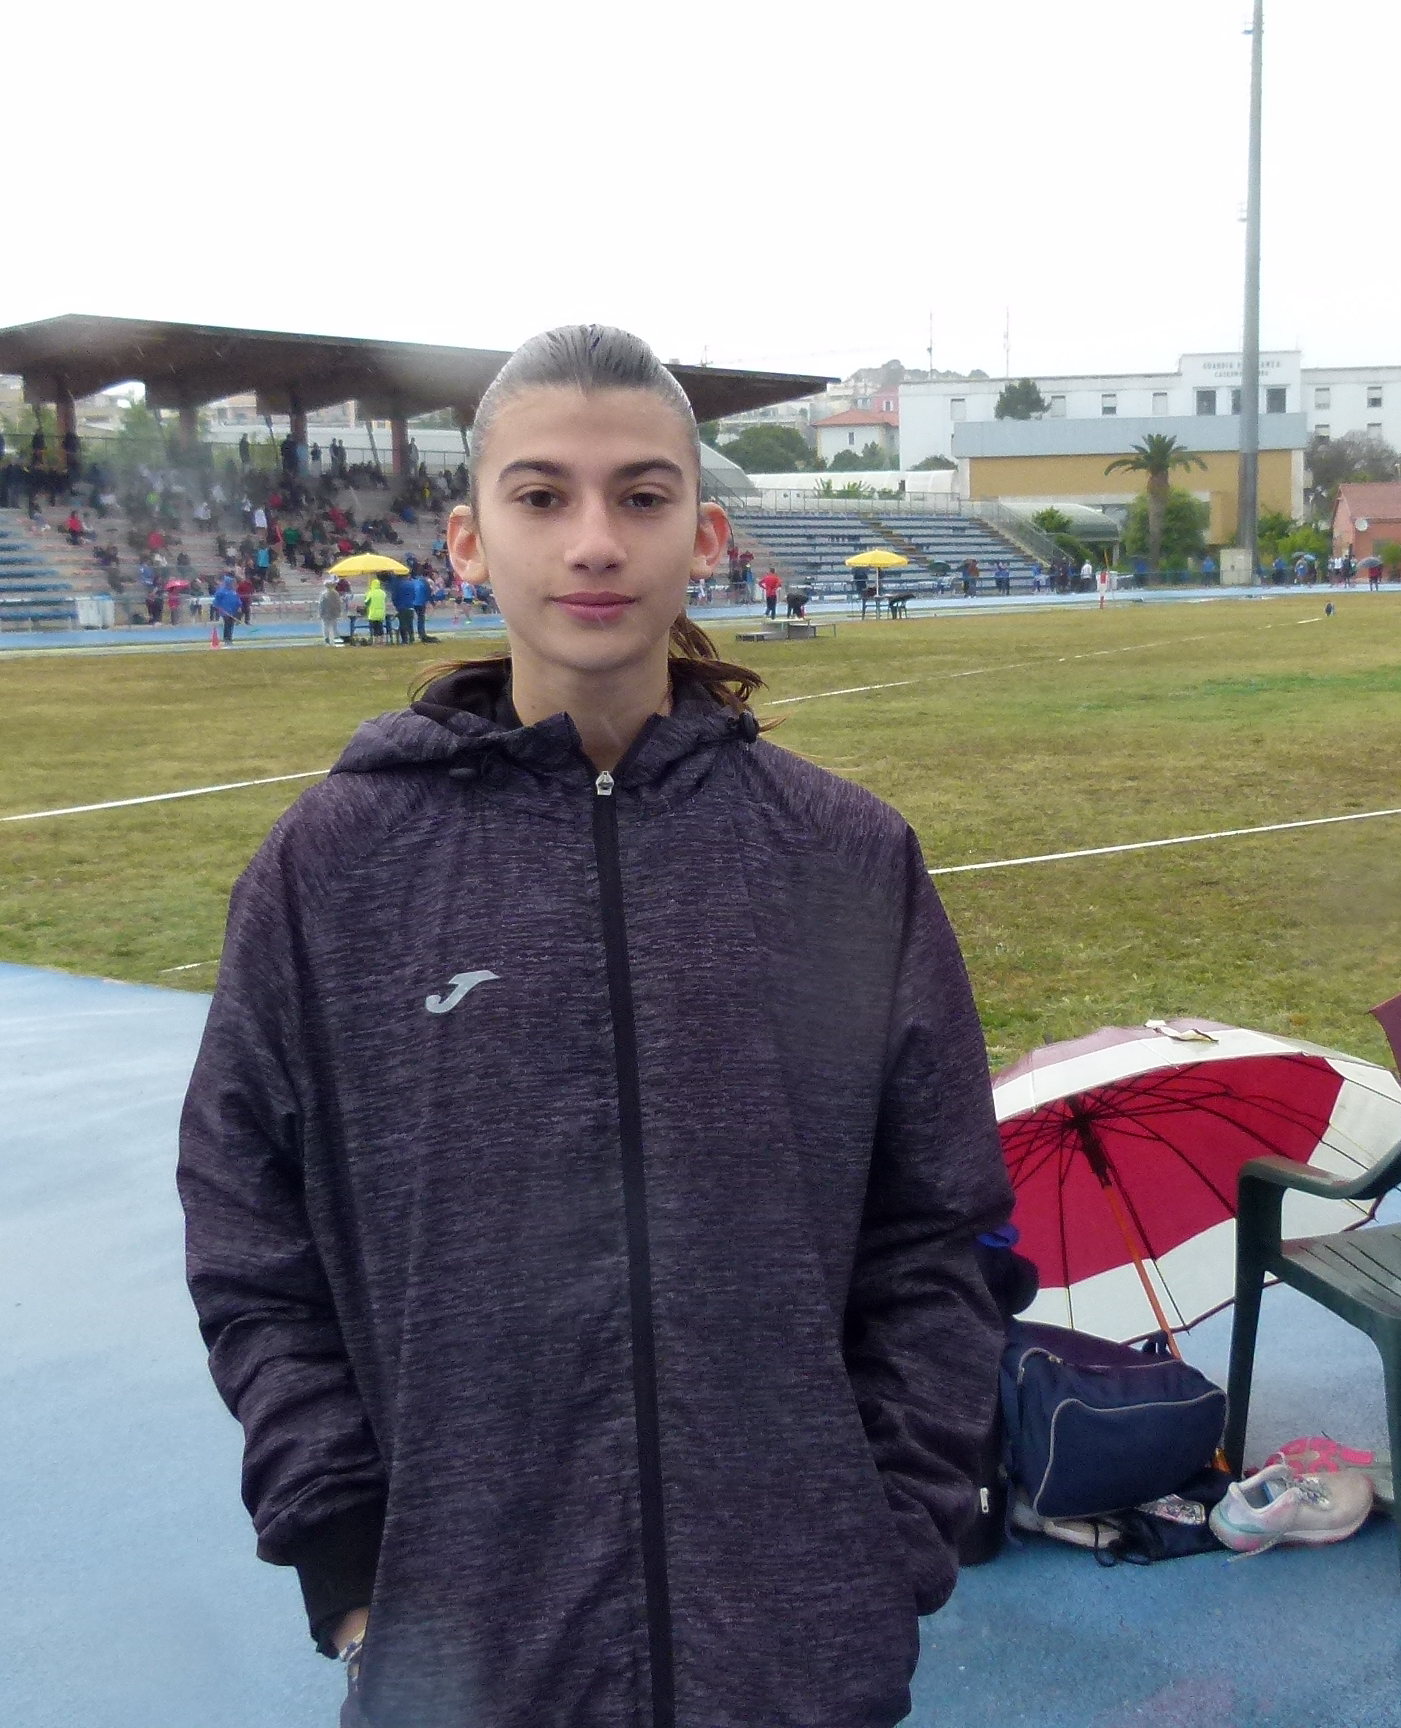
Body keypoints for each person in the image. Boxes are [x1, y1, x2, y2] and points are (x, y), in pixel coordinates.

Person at [180, 325, 1008, 1728]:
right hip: (460, 1657)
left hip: (796, 1654)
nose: (594, 542)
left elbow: (941, 1233)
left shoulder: (844, 858)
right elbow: (248, 1236)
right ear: (467, 541)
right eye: (541, 495)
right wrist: (353, 1563)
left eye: (641, 495)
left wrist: (883, 1543)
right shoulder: (336, 867)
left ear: (707, 534)